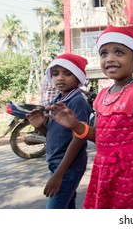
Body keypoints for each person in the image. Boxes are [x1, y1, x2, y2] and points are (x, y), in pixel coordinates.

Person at [43, 25, 133, 209]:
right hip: (104, 170)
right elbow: (98, 135)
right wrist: (76, 125)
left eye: (119, 52)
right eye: (104, 53)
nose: (110, 59)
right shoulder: (102, 95)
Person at [27, 53, 92, 208]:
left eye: (67, 73)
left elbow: (78, 137)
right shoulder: (58, 99)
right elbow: (53, 136)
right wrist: (40, 126)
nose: (60, 78)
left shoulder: (77, 101)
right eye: (55, 74)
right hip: (57, 163)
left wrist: (59, 175)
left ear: (78, 77)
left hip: (68, 167)